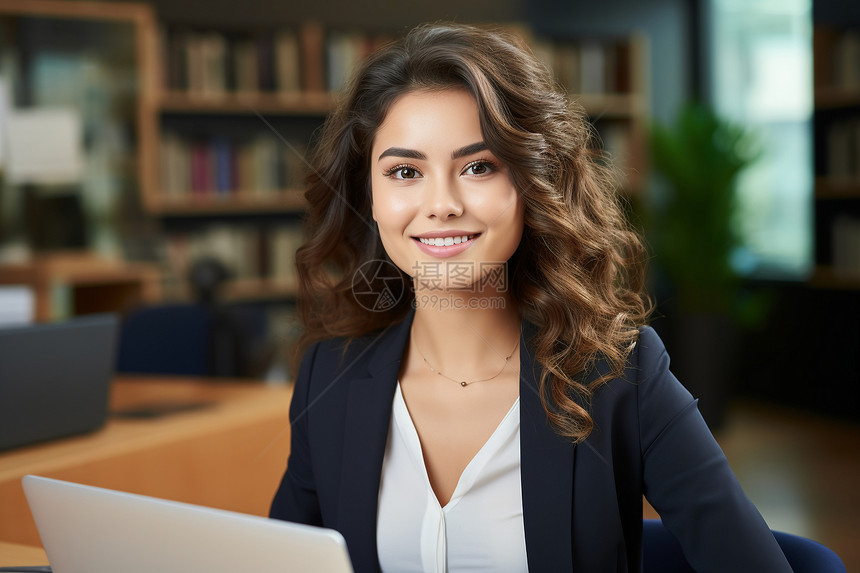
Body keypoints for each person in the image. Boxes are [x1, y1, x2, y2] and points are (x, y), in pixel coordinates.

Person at [269, 23, 792, 573]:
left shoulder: (623, 377)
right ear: (369, 196)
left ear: (531, 184)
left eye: (478, 166)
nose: (441, 204)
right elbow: (278, 562)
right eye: (405, 171)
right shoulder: (329, 376)